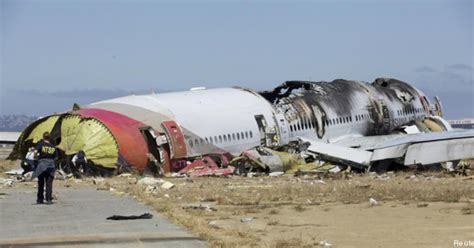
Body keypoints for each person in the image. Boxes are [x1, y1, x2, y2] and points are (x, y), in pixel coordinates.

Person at [33, 132, 59, 204]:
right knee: (49, 183)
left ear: (43, 137)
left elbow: (35, 151)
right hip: (50, 165)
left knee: (41, 183)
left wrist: (36, 158)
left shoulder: (41, 144)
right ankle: (49, 199)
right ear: (49, 138)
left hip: (42, 164)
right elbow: (56, 157)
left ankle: (40, 199)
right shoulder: (53, 146)